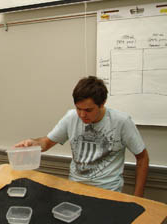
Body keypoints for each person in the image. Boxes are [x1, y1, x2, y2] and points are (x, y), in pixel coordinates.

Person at [16, 76, 149, 197]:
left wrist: (137, 198)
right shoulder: (71, 117)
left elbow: (142, 157)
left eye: (88, 110)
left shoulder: (122, 121)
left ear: (102, 103)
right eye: (78, 108)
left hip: (108, 192)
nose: (82, 115)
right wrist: (34, 144)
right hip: (75, 189)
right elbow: (47, 142)